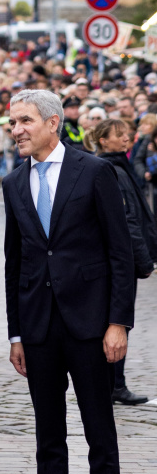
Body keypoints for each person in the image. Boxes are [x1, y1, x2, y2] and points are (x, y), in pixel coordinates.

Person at [3, 89, 133, 474]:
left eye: (25, 121)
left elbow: (120, 253)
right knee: (48, 437)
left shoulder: (94, 171)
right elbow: (15, 262)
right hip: (38, 329)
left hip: (91, 326)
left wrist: (117, 322)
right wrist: (15, 334)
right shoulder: (13, 182)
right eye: (13, 122)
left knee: (100, 434)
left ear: (53, 122)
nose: (16, 129)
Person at [88, 117, 155, 405]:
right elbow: (127, 222)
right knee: (117, 322)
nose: (127, 138)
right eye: (120, 135)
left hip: (124, 257)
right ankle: (115, 384)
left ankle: (116, 382)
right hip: (122, 260)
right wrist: (143, 261)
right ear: (104, 140)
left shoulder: (116, 167)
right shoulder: (111, 169)